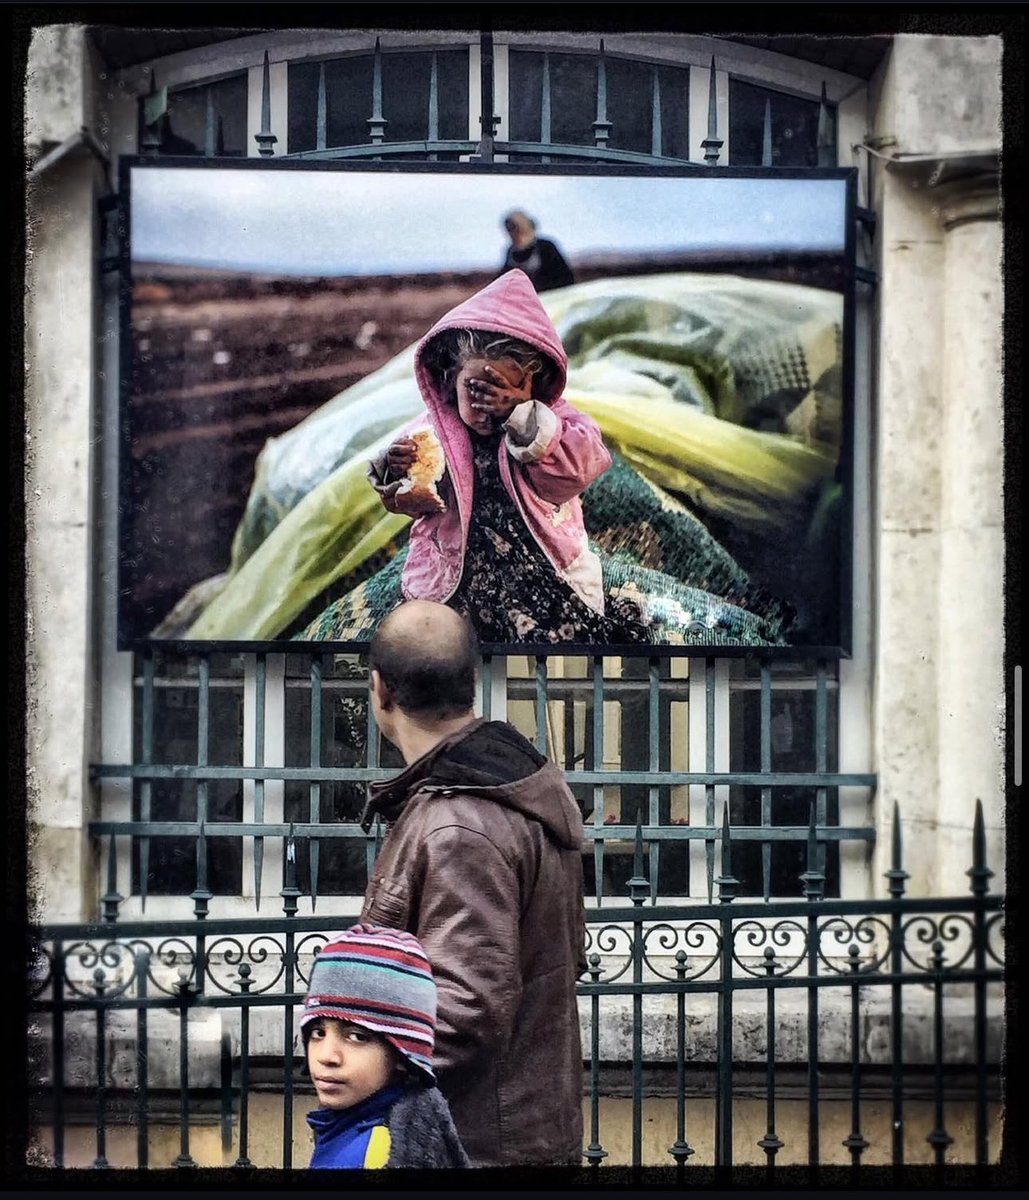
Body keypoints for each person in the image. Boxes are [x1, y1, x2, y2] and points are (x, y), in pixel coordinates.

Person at [358, 599, 587, 1167]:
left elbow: (463, 1013)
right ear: (473, 682)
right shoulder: (508, 790)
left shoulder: (459, 824)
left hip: (472, 1147)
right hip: (515, 1136)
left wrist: (357, 1065)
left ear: (379, 690)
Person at [367, 267, 648, 646]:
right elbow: (416, 502)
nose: (490, 406)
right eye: (477, 390)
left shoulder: (554, 420)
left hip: (536, 563)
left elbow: (574, 471)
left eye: (511, 389)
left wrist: (522, 415)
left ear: (536, 385)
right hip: (462, 563)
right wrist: (396, 473)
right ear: (451, 379)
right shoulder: (434, 431)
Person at [300, 923, 470, 1169]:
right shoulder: (344, 1128)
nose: (327, 1056)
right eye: (318, 1032)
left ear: (403, 1054)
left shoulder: (375, 1155)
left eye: (357, 1037)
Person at [498, 210, 575, 292]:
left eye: (517, 228)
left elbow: (565, 278)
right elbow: (504, 280)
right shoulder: (511, 253)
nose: (515, 233)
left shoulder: (546, 247)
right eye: (510, 229)